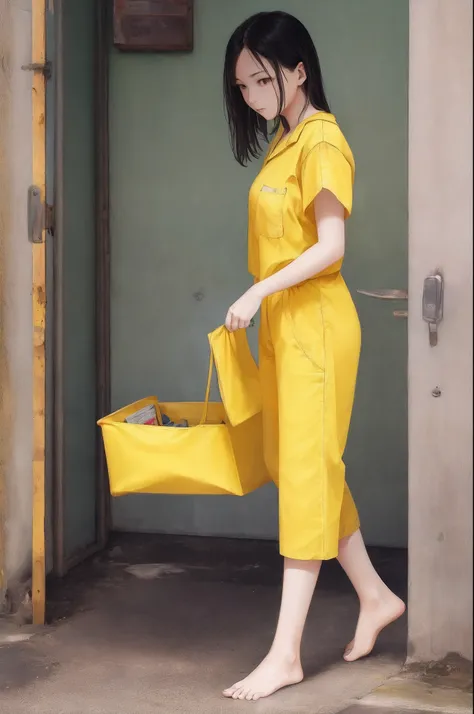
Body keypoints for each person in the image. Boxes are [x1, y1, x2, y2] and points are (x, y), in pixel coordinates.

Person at [221, 11, 405, 702]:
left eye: (262, 79)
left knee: (304, 475)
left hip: (317, 328)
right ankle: (376, 596)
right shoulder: (283, 140)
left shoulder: (321, 141)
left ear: (299, 70)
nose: (252, 94)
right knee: (302, 463)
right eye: (242, 85)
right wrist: (264, 302)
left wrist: (256, 289)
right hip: (285, 325)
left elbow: (331, 247)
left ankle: (286, 653)